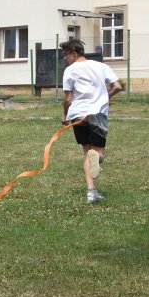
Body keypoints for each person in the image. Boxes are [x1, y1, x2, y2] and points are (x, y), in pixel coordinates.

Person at [61, 39, 122, 203]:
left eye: (66, 55)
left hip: (78, 115)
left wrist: (65, 116)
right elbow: (117, 86)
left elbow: (68, 99)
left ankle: (91, 192)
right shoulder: (101, 66)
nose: (65, 58)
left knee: (87, 153)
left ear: (74, 53)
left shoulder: (69, 70)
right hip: (97, 113)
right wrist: (105, 96)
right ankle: (98, 158)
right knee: (97, 153)